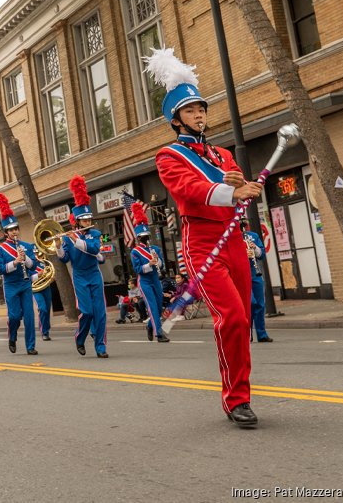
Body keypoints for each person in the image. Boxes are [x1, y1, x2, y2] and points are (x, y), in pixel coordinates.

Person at [147, 47, 262, 428]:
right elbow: (189, 191)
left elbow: (236, 186)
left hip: (232, 239)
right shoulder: (169, 156)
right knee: (229, 317)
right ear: (176, 119)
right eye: (191, 111)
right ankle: (236, 400)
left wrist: (246, 189)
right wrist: (231, 189)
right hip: (202, 241)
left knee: (243, 319)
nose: (199, 115)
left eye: (202, 109)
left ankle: (239, 390)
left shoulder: (223, 154)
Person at [57, 176, 108, 358]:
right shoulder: (67, 237)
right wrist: (57, 246)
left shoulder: (95, 233)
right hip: (79, 275)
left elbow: (94, 249)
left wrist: (76, 239)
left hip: (94, 273)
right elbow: (65, 259)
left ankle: (100, 346)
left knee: (100, 312)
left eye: (89, 219)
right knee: (86, 311)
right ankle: (80, 337)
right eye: (84, 220)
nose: (88, 222)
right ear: (77, 221)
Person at [0, 192, 39, 356]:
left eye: (16, 229)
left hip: (25, 283)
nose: (14, 232)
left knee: (29, 316)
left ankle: (30, 346)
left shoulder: (26, 245)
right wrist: (14, 262)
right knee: (14, 317)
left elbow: (34, 265)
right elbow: (0, 269)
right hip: (11, 285)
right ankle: (12, 336)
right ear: (5, 232)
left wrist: (25, 258)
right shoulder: (0, 249)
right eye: (11, 230)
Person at [130, 203, 170, 343]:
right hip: (145, 281)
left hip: (155, 279)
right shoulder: (135, 251)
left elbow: (162, 265)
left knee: (159, 307)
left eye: (147, 235)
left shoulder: (155, 249)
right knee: (152, 306)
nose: (146, 239)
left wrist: (157, 261)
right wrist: (149, 264)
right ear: (139, 238)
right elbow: (137, 269)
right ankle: (159, 334)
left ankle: (149, 325)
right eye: (143, 237)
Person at [242, 218, 273, 343]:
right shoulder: (230, 238)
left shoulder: (253, 236)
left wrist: (254, 249)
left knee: (260, 303)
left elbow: (262, 255)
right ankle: (247, 333)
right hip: (241, 273)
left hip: (255, 272)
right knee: (250, 303)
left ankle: (262, 334)